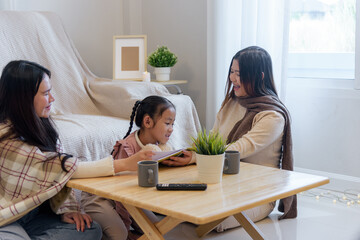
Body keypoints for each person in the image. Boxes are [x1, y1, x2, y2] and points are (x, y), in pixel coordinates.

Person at [0, 60, 154, 240]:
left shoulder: (43, 129)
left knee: (90, 229)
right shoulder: (6, 138)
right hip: (9, 216)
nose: (52, 99)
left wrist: (65, 210)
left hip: (36, 213)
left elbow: (57, 175)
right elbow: (64, 169)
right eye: (46, 93)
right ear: (23, 98)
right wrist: (125, 164)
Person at [163, 46, 297, 232]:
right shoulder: (231, 103)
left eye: (239, 74)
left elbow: (239, 149)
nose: (232, 78)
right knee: (171, 202)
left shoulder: (273, 116)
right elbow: (212, 140)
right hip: (223, 184)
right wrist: (187, 153)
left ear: (260, 76)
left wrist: (195, 158)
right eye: (232, 72)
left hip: (258, 193)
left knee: (209, 219)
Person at [81, 95, 176, 240]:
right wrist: (125, 226)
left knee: (158, 227)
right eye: (168, 123)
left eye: (173, 124)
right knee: (120, 234)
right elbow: (121, 194)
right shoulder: (127, 148)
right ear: (148, 121)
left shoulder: (159, 147)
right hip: (101, 197)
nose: (171, 129)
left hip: (130, 198)